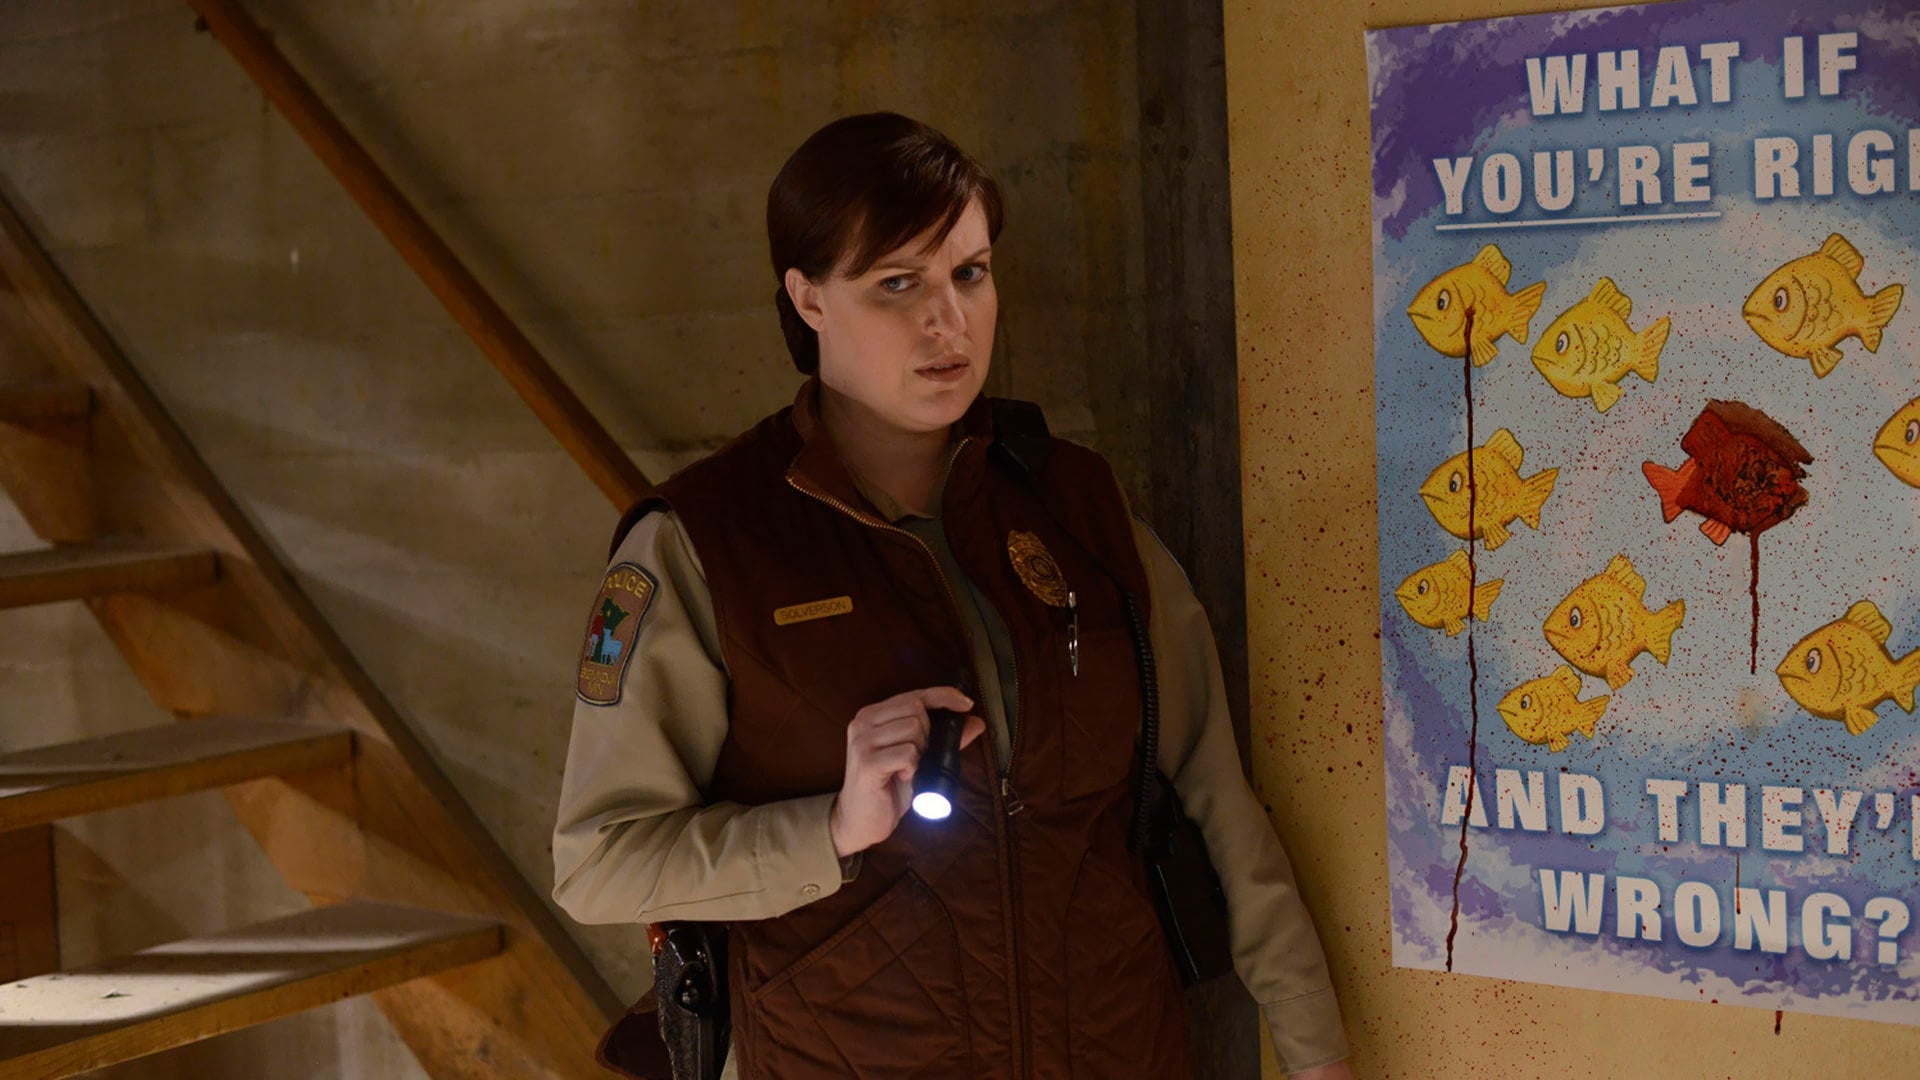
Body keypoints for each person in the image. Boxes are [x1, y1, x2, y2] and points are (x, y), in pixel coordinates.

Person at [552, 112, 1350, 1079]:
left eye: (969, 274)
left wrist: (1317, 1058)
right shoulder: (706, 543)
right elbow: (601, 862)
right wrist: (831, 829)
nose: (949, 321)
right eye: (898, 284)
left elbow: (1220, 804)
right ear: (808, 298)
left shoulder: (1077, 507)